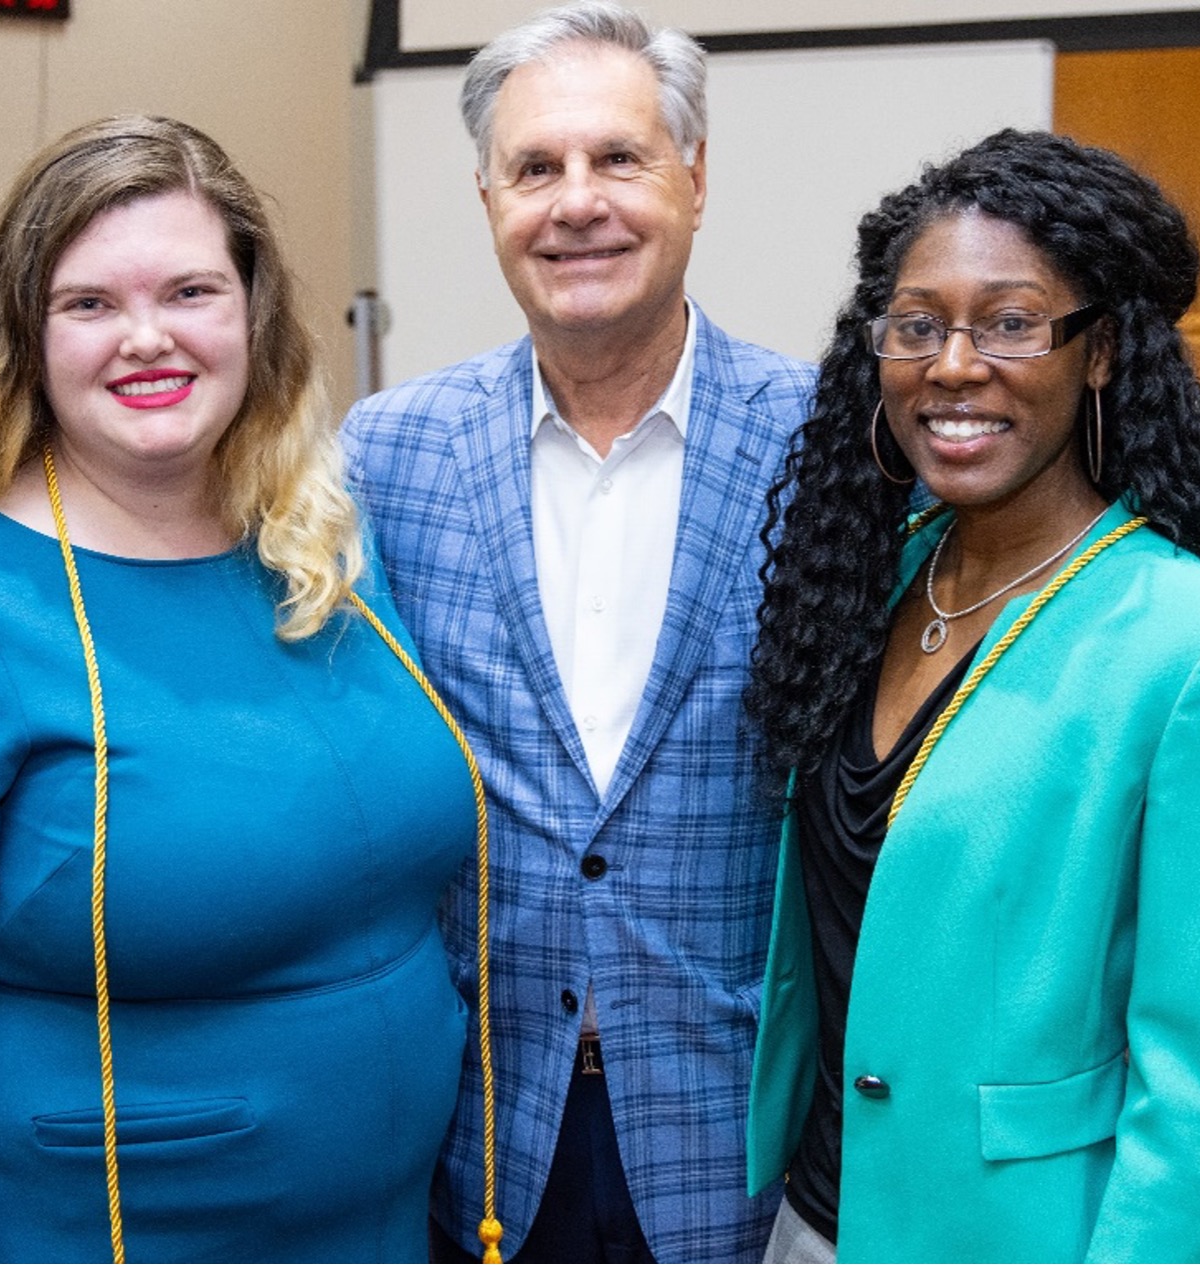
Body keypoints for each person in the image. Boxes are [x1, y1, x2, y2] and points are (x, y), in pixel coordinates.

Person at [0, 115, 482, 1264]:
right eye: (91, 304)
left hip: (385, 1223)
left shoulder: (318, 544)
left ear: (251, 315)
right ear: (24, 330)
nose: (148, 338)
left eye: (191, 291)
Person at [743, 127, 1200, 1263]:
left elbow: (1197, 1095)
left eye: (1010, 322)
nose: (953, 365)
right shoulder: (873, 582)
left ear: (1100, 351)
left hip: (1016, 1235)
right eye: (916, 325)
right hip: (813, 1217)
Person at [343, 3, 814, 1261]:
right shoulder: (385, 456)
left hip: (732, 1115)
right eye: (534, 168)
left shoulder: (832, 449)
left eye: (618, 158)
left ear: (695, 179)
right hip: (478, 1116)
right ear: (487, 198)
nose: (576, 202)